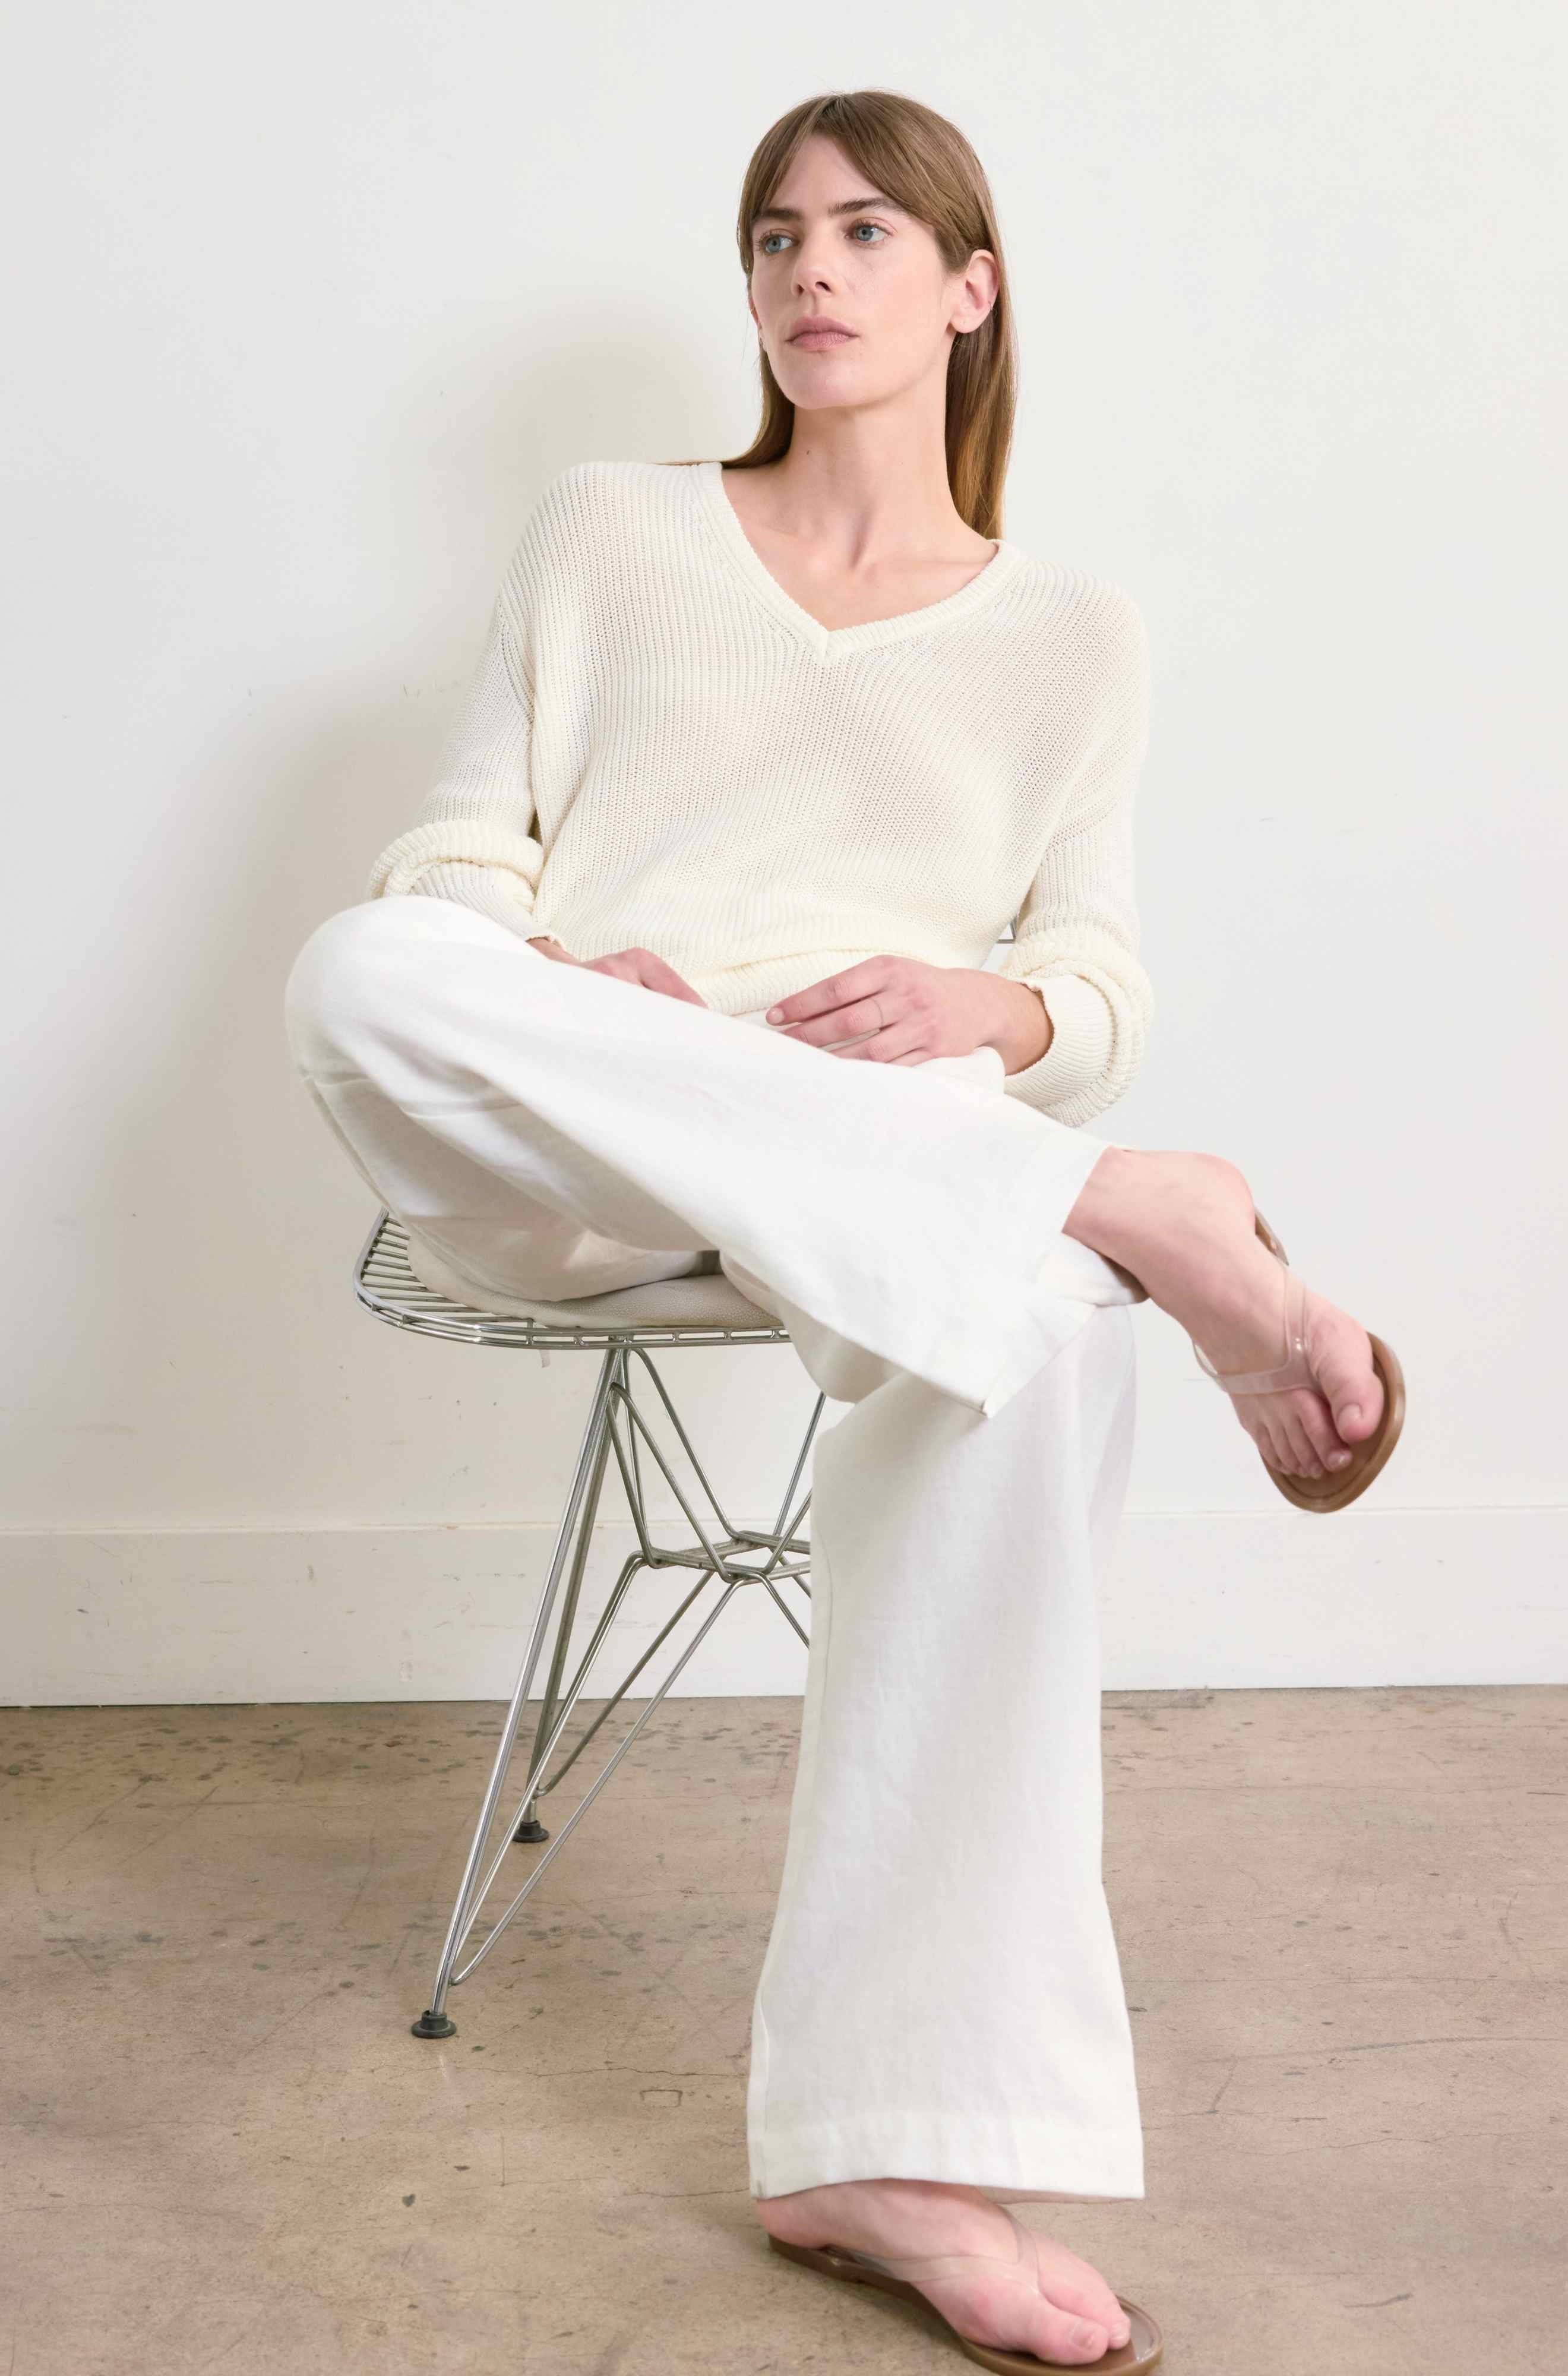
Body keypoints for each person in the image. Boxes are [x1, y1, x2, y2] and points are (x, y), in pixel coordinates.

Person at [283, 89, 1401, 2373]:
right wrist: (566, 990)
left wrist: (991, 1011)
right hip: (592, 1153)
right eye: (776, 235)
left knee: (1045, 1330)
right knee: (357, 975)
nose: (813, 270)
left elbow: (1089, 985)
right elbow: (448, 878)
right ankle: (1133, 1210)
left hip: (887, 1193)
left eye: (870, 231)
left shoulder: (1073, 636)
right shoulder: (607, 532)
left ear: (971, 286)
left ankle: (893, 2146)